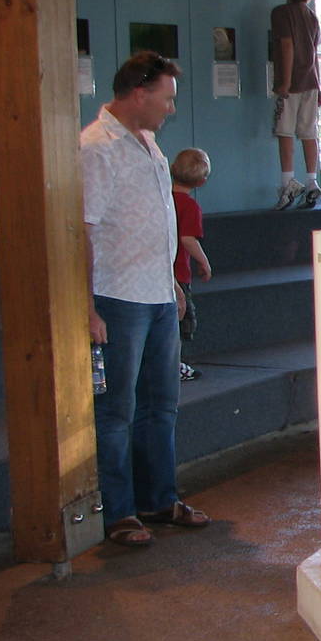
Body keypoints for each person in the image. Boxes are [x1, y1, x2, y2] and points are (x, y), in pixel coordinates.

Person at [83, 51, 210, 547]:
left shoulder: (149, 143)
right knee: (116, 410)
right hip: (117, 297)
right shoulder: (97, 148)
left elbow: (156, 222)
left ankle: (158, 499)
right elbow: (84, 231)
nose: (170, 109)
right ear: (140, 93)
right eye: (167, 98)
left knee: (161, 404)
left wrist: (171, 281)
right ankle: (118, 513)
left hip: (157, 294)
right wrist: (86, 307)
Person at [271, 0, 321, 210]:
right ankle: (312, 181)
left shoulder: (281, 13)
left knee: (285, 131)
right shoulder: (312, 17)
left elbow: (287, 45)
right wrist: (319, 86)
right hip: (311, 82)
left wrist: (285, 81)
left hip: (292, 85)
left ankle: (287, 181)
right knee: (308, 132)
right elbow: (314, 54)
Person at [170, 148, 213, 382]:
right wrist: (204, 261)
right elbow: (187, 238)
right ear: (202, 182)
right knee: (180, 319)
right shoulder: (190, 207)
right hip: (178, 274)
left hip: (159, 272)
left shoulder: (162, 199)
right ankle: (173, 365)